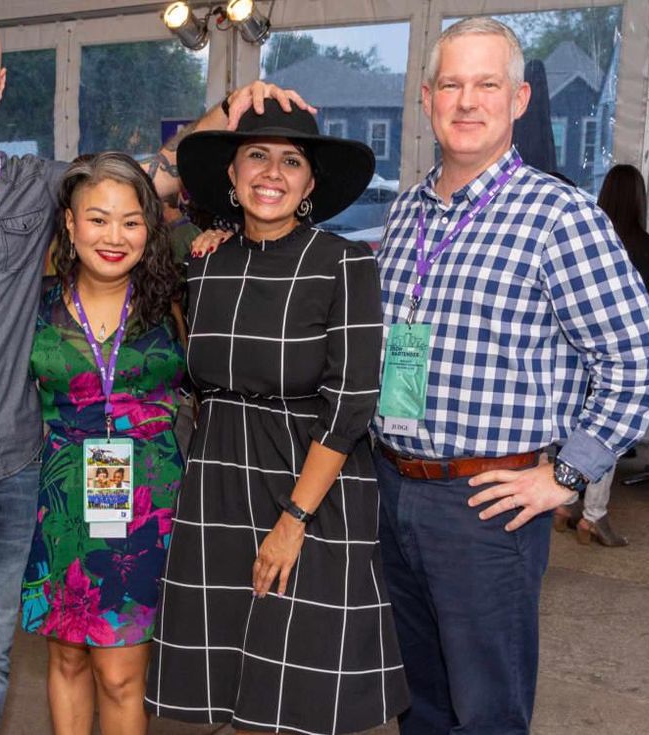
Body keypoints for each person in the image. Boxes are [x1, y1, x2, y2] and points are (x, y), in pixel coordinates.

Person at [0, 3, 309, 731]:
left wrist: (229, 107)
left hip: (11, 477)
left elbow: (142, 182)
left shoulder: (38, 187)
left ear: (2, 84)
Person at [373, 17, 649, 734]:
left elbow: (643, 358)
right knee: (419, 701)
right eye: (452, 84)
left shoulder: (559, 216)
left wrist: (567, 474)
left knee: (487, 711)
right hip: (393, 489)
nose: (467, 100)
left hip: (487, 505)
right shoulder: (404, 211)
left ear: (520, 100)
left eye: (488, 84)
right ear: (426, 98)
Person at [148, 98, 410, 735]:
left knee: (297, 692)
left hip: (310, 484)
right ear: (232, 178)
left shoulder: (344, 262)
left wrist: (293, 520)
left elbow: (352, 401)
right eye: (256, 156)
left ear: (310, 182)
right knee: (237, 687)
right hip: (219, 485)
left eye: (291, 160)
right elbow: (123, 199)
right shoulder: (203, 264)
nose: (272, 172)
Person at [19, 153, 184, 734]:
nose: (114, 237)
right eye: (98, 219)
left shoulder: (175, 299)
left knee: (119, 672)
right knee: (65, 656)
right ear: (69, 223)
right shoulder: (33, 304)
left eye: (131, 221)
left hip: (149, 505)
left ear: (150, 228)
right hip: (60, 499)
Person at [554, 164, 649, 547]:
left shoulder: (587, 238)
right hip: (610, 354)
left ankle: (566, 500)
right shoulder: (643, 245)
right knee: (605, 434)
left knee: (575, 427)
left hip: (571, 355)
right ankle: (593, 515)